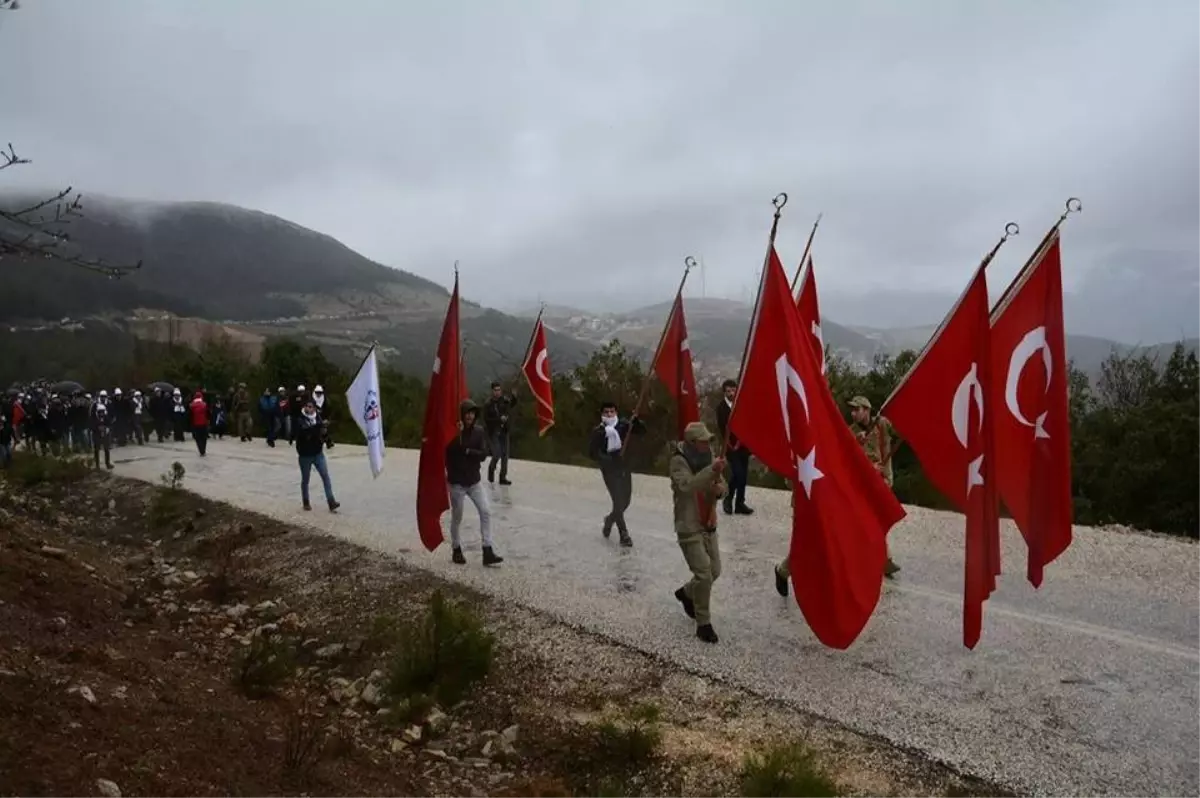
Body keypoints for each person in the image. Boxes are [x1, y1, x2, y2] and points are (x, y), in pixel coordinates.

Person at [773, 393, 900, 597]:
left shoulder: (878, 426)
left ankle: (876, 562)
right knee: (807, 543)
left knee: (854, 530)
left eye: (857, 409)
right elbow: (835, 465)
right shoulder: (831, 437)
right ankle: (784, 570)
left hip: (843, 493)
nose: (853, 413)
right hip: (812, 497)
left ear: (867, 410)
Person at [670, 422, 727, 644]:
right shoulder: (678, 461)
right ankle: (703, 623)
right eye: (703, 442)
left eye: (708, 441)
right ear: (692, 443)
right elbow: (687, 486)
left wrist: (721, 489)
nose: (707, 445)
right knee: (703, 573)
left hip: (708, 522)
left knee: (715, 571)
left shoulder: (709, 457)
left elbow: (722, 484)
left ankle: (687, 592)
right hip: (689, 525)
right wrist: (711, 471)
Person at [446, 399, 503, 566]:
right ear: (462, 415)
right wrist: (458, 437)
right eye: (467, 413)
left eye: (472, 413)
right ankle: (456, 548)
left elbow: (484, 454)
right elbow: (449, 451)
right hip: (457, 483)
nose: (470, 416)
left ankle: (487, 549)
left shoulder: (479, 432)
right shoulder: (453, 433)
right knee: (457, 517)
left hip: (474, 481)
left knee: (485, 511)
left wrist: (469, 451)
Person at [587, 401, 645, 547]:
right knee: (618, 501)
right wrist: (607, 460)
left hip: (624, 467)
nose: (609, 414)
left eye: (612, 412)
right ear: (602, 414)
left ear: (616, 413)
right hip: (610, 471)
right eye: (606, 412)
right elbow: (593, 452)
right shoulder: (599, 431)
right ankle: (623, 534)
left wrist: (637, 422)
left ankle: (610, 519)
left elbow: (641, 431)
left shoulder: (624, 425)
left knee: (625, 502)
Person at [294, 396, 340, 512]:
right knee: (306, 479)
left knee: (325, 476)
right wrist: (320, 426)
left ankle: (331, 501)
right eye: (308, 407)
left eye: (312, 407)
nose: (310, 409)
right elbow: (306, 432)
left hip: (318, 453)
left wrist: (326, 437)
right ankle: (306, 501)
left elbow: (320, 433)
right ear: (305, 407)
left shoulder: (317, 418)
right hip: (305, 455)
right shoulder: (300, 419)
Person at [715, 378, 753, 515]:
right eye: (728, 391)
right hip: (731, 447)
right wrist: (731, 444)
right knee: (738, 473)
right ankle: (728, 498)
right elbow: (722, 428)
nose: (731, 393)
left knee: (743, 476)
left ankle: (740, 503)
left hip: (743, 446)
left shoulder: (741, 405)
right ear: (724, 392)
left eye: (733, 390)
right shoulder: (721, 408)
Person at [483, 380, 517, 485]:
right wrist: (499, 419)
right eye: (495, 390)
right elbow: (486, 419)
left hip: (504, 431)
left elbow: (512, 404)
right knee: (497, 453)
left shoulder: (504, 401)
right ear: (492, 391)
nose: (497, 392)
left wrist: (514, 396)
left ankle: (503, 477)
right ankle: (491, 470)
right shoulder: (488, 404)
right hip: (494, 432)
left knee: (505, 455)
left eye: (499, 390)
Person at [89, 396, 113, 470]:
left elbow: (109, 424)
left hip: (105, 434)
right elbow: (92, 426)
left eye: (102, 411)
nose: (101, 413)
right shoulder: (94, 418)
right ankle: (97, 465)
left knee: (106, 449)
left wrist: (106, 428)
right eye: (100, 412)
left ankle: (107, 463)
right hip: (97, 434)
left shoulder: (106, 417)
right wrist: (97, 428)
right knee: (96, 450)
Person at [312, 385, 334, 449]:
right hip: (314, 417)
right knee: (316, 431)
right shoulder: (312, 399)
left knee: (323, 430)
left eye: (320, 393)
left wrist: (327, 419)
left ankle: (328, 442)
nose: (318, 394)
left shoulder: (325, 400)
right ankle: (327, 442)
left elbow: (328, 409)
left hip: (323, 417)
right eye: (317, 392)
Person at [189, 391, 210, 456]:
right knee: (204, 438)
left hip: (195, 424)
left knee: (198, 438)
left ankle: (201, 450)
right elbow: (208, 414)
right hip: (204, 423)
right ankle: (203, 450)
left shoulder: (191, 405)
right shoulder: (204, 404)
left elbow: (190, 416)